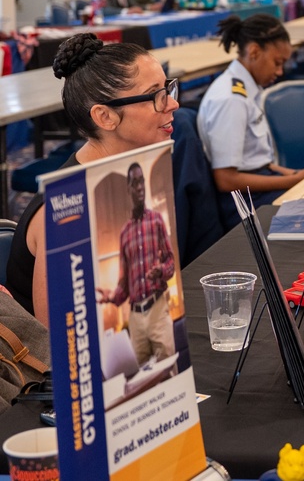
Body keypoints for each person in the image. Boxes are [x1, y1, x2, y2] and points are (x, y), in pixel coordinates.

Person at [6, 33, 181, 326]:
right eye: (156, 96)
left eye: (168, 89)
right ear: (105, 117)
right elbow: (61, 344)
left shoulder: (133, 175)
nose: (172, 105)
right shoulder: (65, 209)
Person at [197, 14, 304, 228]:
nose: (280, 72)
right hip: (244, 205)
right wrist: (293, 180)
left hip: (259, 186)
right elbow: (226, 179)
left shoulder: (247, 90)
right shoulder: (231, 100)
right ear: (254, 51)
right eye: (277, 62)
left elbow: (255, 160)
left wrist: (298, 174)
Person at [97, 163, 176, 365]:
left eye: (141, 182)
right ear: (129, 189)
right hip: (135, 317)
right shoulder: (125, 233)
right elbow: (124, 285)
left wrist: (160, 272)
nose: (139, 187)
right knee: (141, 378)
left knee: (168, 370)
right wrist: (112, 297)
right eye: (135, 183)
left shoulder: (157, 221)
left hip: (157, 309)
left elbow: (170, 262)